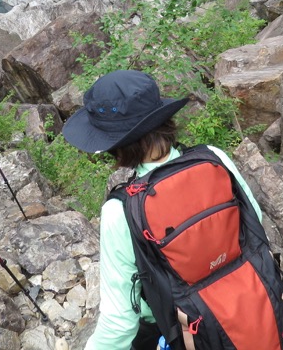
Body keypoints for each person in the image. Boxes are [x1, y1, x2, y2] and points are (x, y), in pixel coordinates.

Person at [62, 70, 263, 350]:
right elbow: (255, 224)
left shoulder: (120, 211)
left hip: (179, 327)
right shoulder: (215, 158)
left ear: (115, 146)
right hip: (253, 301)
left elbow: (120, 322)